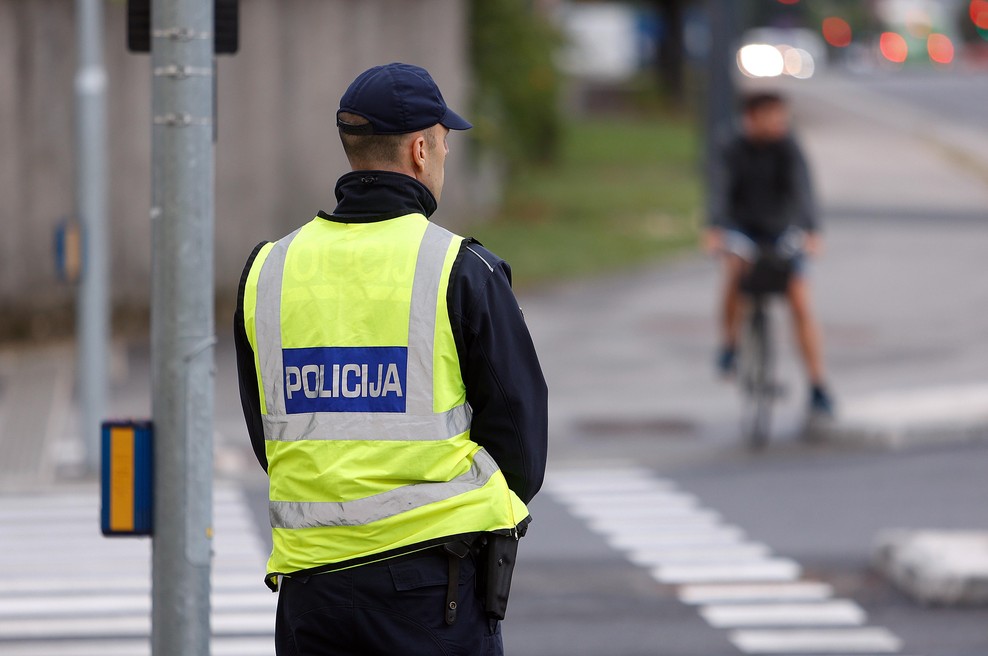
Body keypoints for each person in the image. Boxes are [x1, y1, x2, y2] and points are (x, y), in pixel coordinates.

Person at [234, 62, 548, 656]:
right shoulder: (460, 268)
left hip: (311, 591)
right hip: (433, 589)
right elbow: (523, 448)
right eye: (445, 145)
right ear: (421, 150)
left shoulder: (268, 270)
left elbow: (267, 433)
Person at [704, 91, 834, 416]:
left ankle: (818, 384)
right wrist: (715, 227)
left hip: (780, 230)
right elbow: (718, 188)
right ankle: (730, 344)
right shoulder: (729, 146)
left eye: (781, 117)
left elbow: (803, 189)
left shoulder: (788, 146)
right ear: (751, 118)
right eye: (772, 116)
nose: (779, 123)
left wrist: (811, 230)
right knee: (736, 270)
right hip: (742, 228)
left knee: (800, 298)